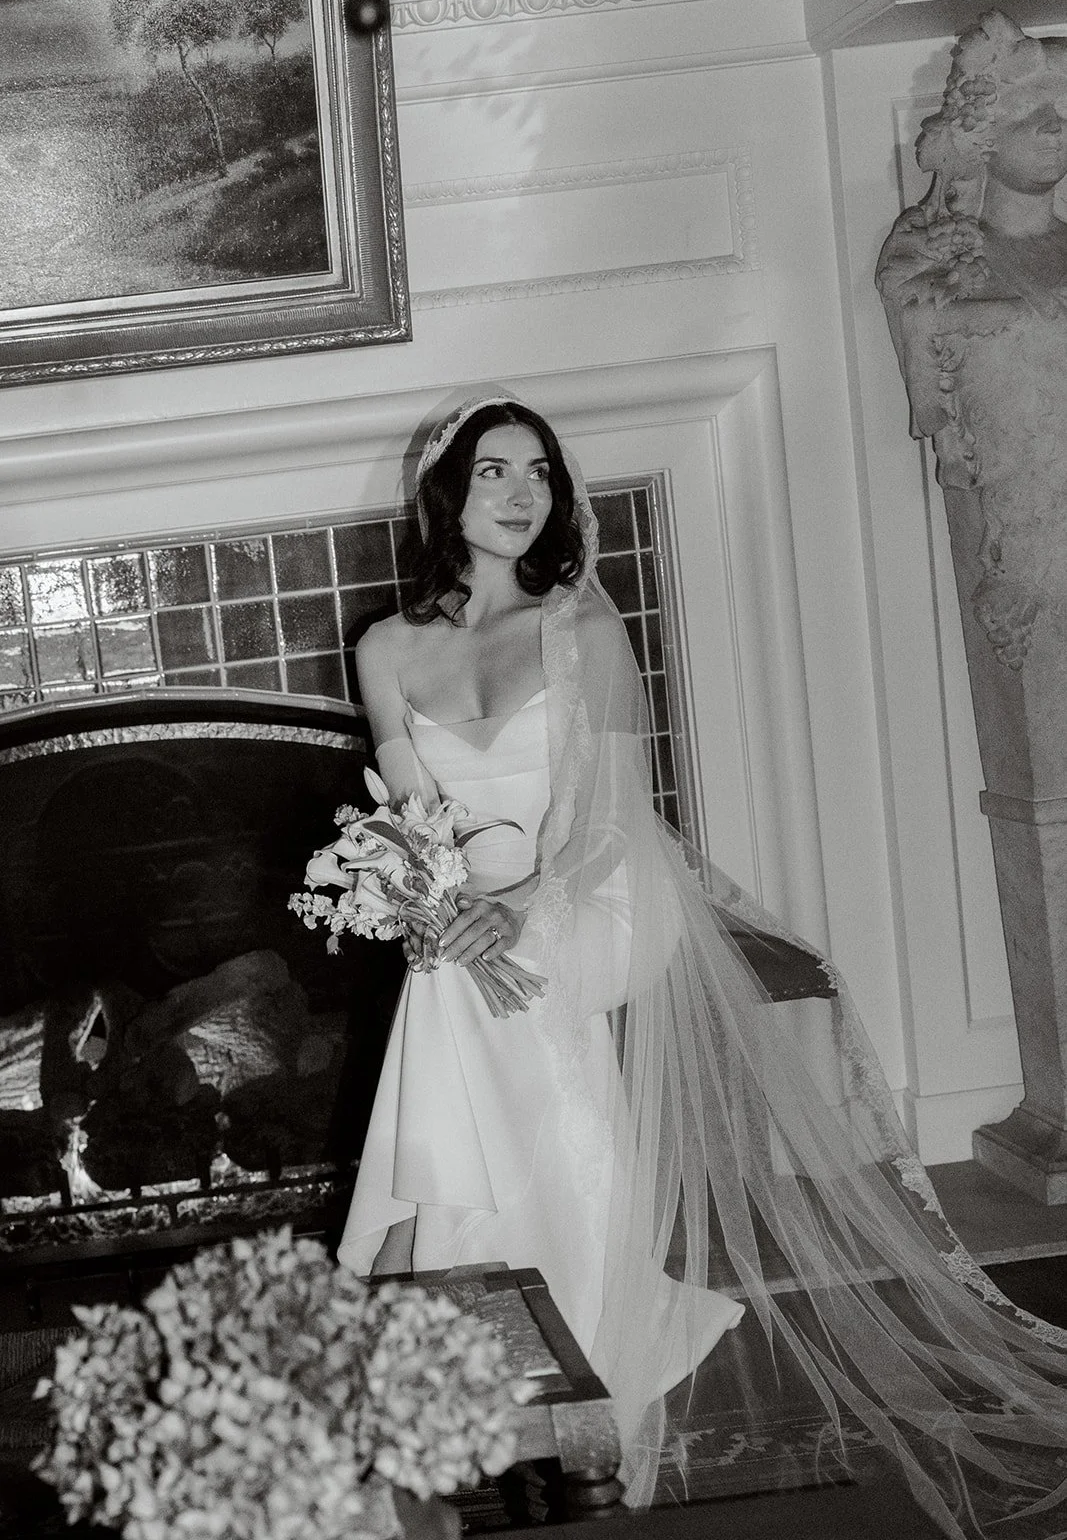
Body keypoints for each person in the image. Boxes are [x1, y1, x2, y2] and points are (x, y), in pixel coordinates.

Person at [337, 394, 1067, 1534]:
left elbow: (614, 823)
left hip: (594, 896)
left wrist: (515, 906)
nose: (522, 491)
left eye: (539, 470)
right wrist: (436, 911)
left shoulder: (581, 630)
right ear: (447, 493)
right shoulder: (385, 648)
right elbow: (404, 824)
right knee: (452, 983)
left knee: (478, 988)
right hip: (466, 915)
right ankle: (492, 1331)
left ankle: (458, 1312)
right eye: (493, 471)